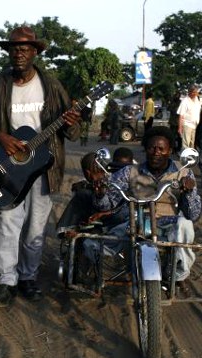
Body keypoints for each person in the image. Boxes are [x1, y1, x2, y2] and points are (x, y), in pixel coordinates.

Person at [0, 26, 81, 308]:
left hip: (43, 168)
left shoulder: (52, 86)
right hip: (11, 167)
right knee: (6, 223)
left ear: (35, 52)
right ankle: (6, 281)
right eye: (14, 49)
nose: (19, 54)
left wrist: (72, 122)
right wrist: (1, 137)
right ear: (8, 53)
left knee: (36, 227)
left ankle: (28, 277)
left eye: (24, 49)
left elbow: (72, 132)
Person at [89, 126, 201, 291]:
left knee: (186, 224)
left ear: (170, 150)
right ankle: (108, 269)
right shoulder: (129, 172)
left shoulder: (183, 173)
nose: (156, 152)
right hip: (135, 221)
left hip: (169, 222)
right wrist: (100, 194)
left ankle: (178, 274)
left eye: (161, 149)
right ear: (145, 149)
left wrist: (189, 192)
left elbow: (194, 214)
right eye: (151, 148)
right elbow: (108, 204)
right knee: (93, 245)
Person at [56, 147, 134, 237]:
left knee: (82, 195)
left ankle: (67, 229)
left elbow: (120, 206)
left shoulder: (126, 178)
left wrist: (104, 213)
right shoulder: (110, 178)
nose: (121, 169)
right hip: (115, 213)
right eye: (118, 165)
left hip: (121, 215)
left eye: (124, 167)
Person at [177, 84, 201, 150]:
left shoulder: (197, 100)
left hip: (194, 125)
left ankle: (191, 155)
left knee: (192, 144)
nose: (195, 94)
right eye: (194, 92)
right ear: (189, 92)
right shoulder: (185, 101)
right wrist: (180, 128)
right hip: (187, 124)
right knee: (186, 144)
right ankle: (185, 155)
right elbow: (181, 115)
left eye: (196, 92)